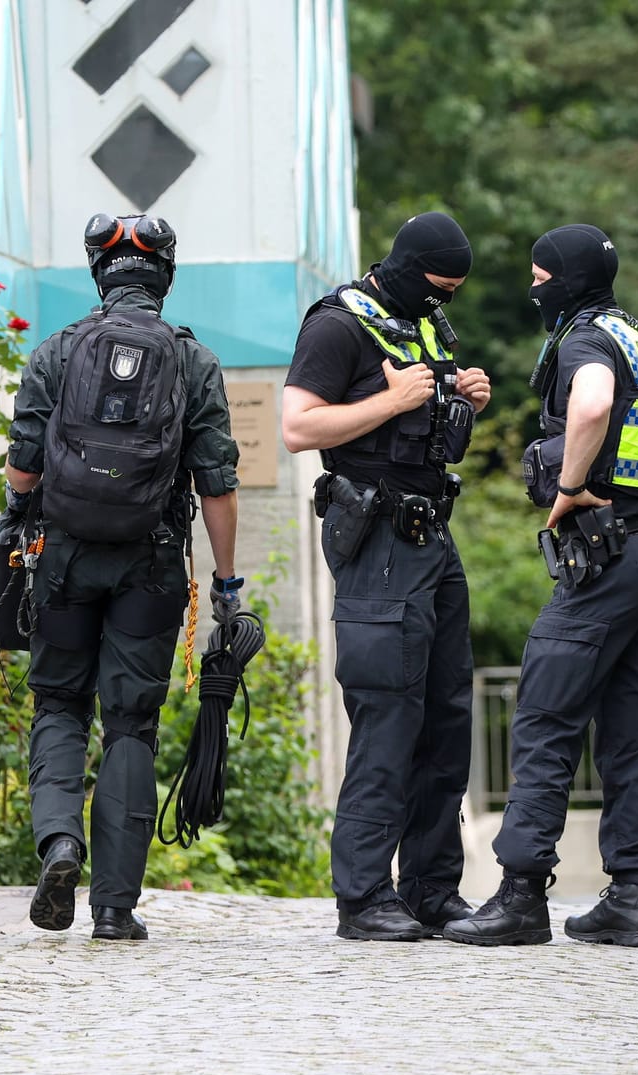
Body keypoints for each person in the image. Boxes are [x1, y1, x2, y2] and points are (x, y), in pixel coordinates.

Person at [446, 224, 638, 949]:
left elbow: (594, 404)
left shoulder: (584, 342)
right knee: (633, 738)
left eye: (540, 276)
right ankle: (630, 899)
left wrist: (573, 487)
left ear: (563, 280)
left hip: (601, 562)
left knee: (545, 717)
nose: (534, 287)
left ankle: (518, 898)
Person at [5, 212, 241, 942]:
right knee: (130, 724)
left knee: (58, 706)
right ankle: (114, 907)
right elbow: (218, 486)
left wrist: (26, 510)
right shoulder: (192, 361)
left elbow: (21, 470)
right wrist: (227, 587)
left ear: (97, 275)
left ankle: (59, 844)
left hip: (66, 560)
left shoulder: (56, 352)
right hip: (151, 563)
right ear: (164, 278)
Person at [280, 212, 490, 940]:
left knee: (445, 718)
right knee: (388, 715)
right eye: (438, 285)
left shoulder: (423, 322)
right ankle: (364, 896)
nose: (444, 299)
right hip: (381, 544)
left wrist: (462, 397)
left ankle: (432, 889)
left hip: (435, 536)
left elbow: (424, 420)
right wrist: (390, 402)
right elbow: (299, 427)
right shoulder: (337, 325)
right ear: (404, 267)